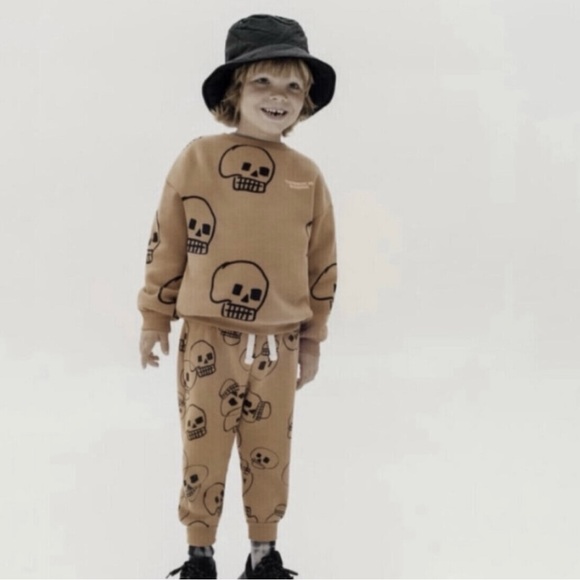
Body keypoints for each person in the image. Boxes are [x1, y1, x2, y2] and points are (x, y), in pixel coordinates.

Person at [137, 14, 338, 579]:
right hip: (209, 336)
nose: (279, 97)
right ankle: (199, 554)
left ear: (305, 101)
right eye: (263, 82)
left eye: (293, 86)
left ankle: (263, 555)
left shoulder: (307, 176)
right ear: (234, 90)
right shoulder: (198, 159)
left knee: (270, 450)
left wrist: (312, 340)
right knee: (203, 447)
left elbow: (322, 262)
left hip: (280, 343)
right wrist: (154, 316)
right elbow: (167, 241)